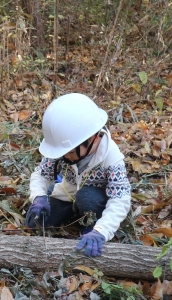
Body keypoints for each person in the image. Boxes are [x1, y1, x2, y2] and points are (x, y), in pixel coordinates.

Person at [25, 93, 131, 257]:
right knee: (35, 222)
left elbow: (120, 199)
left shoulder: (111, 157)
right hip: (68, 191)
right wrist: (39, 197)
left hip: (96, 200)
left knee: (86, 197)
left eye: (70, 152)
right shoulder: (62, 149)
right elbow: (42, 174)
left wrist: (102, 231)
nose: (66, 156)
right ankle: (72, 211)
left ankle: (92, 223)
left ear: (92, 139)